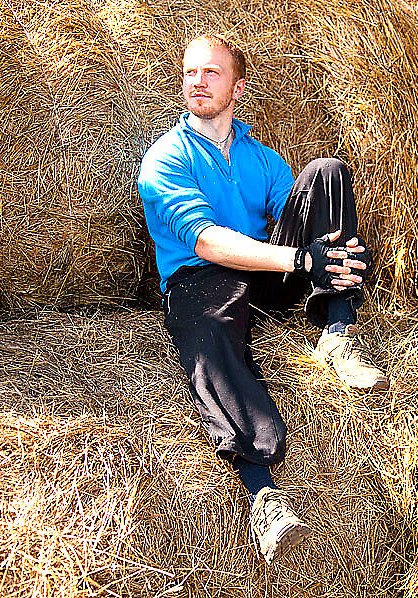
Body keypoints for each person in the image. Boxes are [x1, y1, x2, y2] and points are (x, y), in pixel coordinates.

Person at [137, 33, 389, 565]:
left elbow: (298, 217)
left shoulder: (262, 157)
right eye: (190, 73)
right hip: (200, 276)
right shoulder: (165, 159)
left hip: (264, 275)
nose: (197, 82)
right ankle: (262, 495)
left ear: (238, 86)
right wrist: (301, 261)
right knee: (207, 337)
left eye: (211, 73)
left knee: (326, 173)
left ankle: (337, 333)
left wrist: (330, 247)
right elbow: (204, 239)